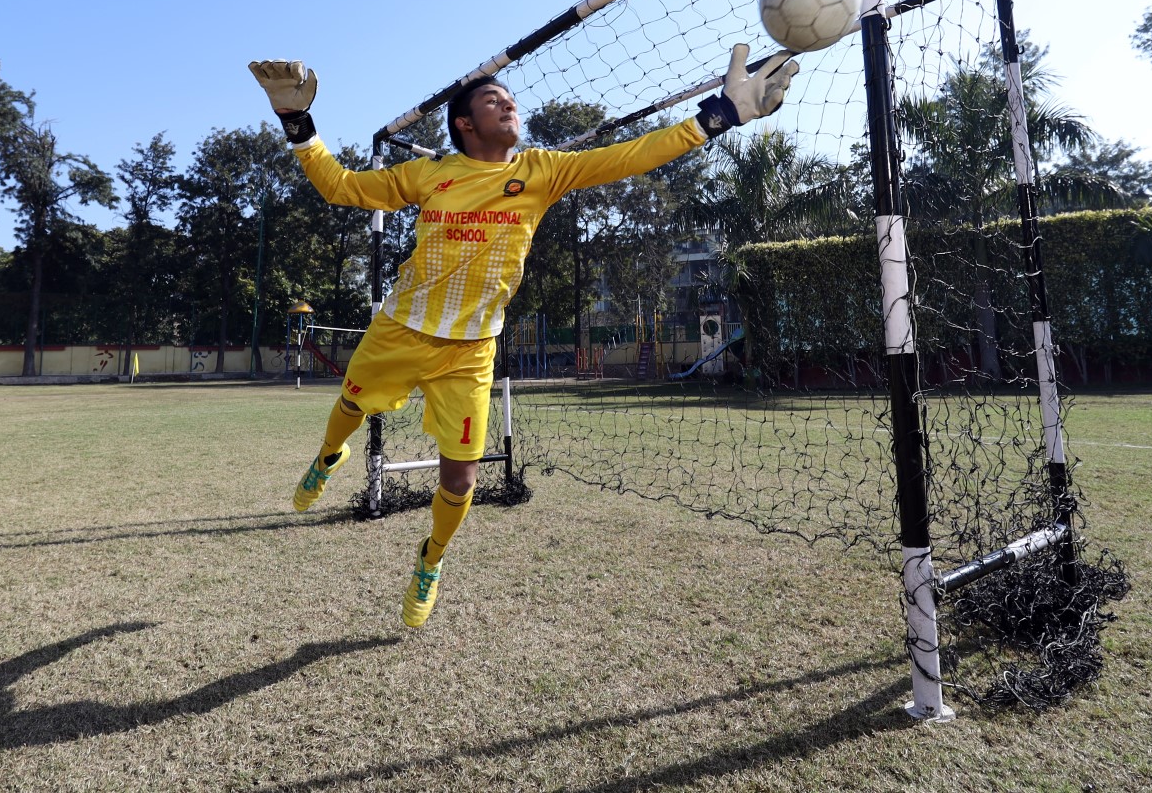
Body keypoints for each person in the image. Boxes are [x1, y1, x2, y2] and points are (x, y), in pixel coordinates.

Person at [250, 44, 794, 627]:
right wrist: (297, 123)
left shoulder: (541, 170)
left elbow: (630, 157)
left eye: (511, 100)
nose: (509, 106)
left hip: (472, 349)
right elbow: (341, 186)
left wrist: (720, 116)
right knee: (351, 405)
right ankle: (329, 456)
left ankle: (430, 561)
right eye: (494, 101)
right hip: (401, 330)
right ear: (465, 122)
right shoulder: (428, 174)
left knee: (461, 478)